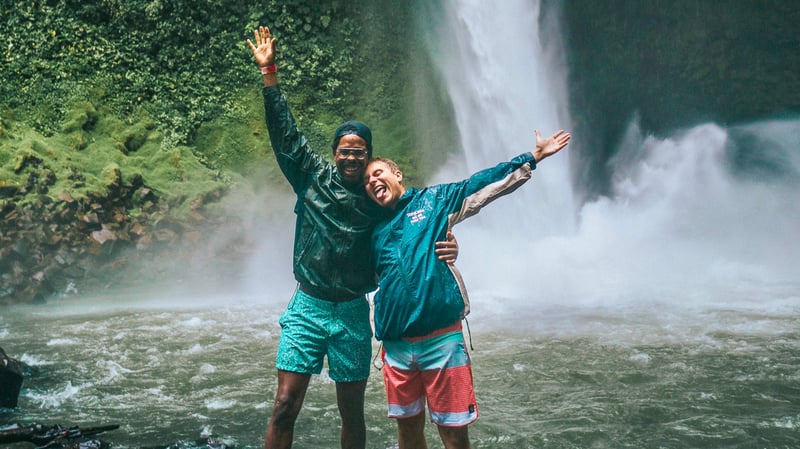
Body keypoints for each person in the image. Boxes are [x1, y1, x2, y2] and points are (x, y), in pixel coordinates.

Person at [246, 26, 459, 449]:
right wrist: (269, 71)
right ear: (334, 153)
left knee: (352, 413)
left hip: (352, 314)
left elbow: (416, 226)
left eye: (359, 151)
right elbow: (284, 133)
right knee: (285, 405)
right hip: (307, 305)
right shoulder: (310, 176)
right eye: (344, 149)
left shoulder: (377, 202)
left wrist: (448, 249)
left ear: (368, 159)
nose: (350, 155)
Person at [363, 130, 571, 449]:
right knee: (407, 432)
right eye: (366, 181)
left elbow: (480, 185)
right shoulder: (375, 232)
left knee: (454, 433)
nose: (373, 181)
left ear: (397, 174)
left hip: (441, 341)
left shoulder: (433, 202)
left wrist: (533, 156)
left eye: (378, 172)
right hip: (396, 347)